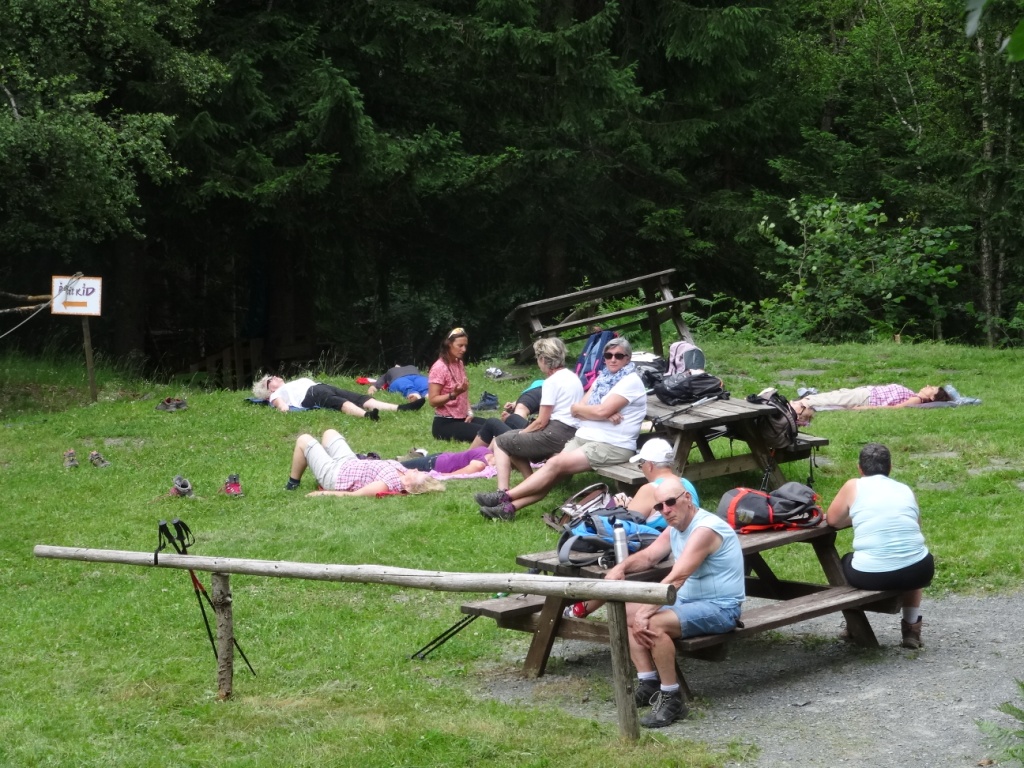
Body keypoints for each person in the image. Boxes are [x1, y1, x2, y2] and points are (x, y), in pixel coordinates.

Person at [604, 478, 744, 728]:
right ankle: (648, 683)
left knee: (652, 623)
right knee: (622, 610)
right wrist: (621, 568)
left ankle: (672, 698)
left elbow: (676, 578)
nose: (665, 510)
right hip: (688, 603)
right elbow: (649, 556)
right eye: (659, 507)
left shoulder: (705, 530)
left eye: (670, 503)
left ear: (687, 499)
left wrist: (645, 613)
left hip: (721, 608)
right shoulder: (675, 528)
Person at [474, 337, 646, 521]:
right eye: (608, 355)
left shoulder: (630, 381)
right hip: (583, 436)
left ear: (628, 359)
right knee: (551, 471)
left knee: (555, 464)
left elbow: (597, 409)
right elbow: (576, 409)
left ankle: (504, 496)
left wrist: (600, 411)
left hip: (611, 444)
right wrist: (599, 412)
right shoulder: (603, 379)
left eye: (619, 356)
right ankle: (508, 509)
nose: (613, 359)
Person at [562, 438, 700, 619]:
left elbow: (625, 522)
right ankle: (584, 606)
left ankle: (582, 607)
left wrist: (620, 505)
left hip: (663, 550)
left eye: (641, 465)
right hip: (682, 544)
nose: (642, 469)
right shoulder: (684, 483)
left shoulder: (650, 489)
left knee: (619, 565)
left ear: (649, 465)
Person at [825, 442, 934, 649]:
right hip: (920, 570)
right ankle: (911, 629)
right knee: (912, 554)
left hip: (872, 574)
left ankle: (854, 626)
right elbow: (916, 525)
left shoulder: (853, 486)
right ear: (890, 468)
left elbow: (833, 520)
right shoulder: (904, 489)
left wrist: (856, 517)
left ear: (860, 468)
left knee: (845, 562)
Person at [477, 338, 583, 490]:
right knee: (511, 440)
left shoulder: (551, 382)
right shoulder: (572, 377)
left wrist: (522, 433)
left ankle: (502, 490)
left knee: (502, 441)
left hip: (556, 433)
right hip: (572, 432)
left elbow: (541, 422)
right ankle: (532, 481)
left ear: (542, 359)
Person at [284, 429, 445, 496]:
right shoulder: (402, 471)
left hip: (334, 475)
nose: (416, 469)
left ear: (408, 487)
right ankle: (318, 461)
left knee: (303, 440)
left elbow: (354, 496)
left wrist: (323, 493)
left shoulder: (387, 484)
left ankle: (292, 485)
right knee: (329, 433)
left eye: (417, 474)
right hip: (349, 462)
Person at [253, 375, 425, 419]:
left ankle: (400, 408)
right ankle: (366, 415)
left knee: (357, 397)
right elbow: (282, 406)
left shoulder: (288, 384)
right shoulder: (275, 394)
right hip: (311, 394)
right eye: (270, 380)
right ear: (268, 391)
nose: (274, 377)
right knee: (338, 402)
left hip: (320, 387)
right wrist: (284, 409)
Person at [427, 327, 487, 442]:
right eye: (460, 346)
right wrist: (453, 394)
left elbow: (464, 391)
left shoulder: (458, 363)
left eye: (465, 346)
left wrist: (469, 411)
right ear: (449, 344)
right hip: (445, 423)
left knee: (493, 425)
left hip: (462, 418)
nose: (464, 349)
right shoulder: (439, 367)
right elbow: (432, 400)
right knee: (488, 434)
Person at [791, 384, 951, 425]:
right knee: (836, 397)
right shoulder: (914, 395)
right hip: (866, 393)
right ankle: (802, 405)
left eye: (932, 388)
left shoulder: (917, 400)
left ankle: (799, 406)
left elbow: (894, 409)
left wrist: (865, 408)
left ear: (932, 396)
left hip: (867, 398)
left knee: (835, 398)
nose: (928, 386)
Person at [399, 445, 495, 476]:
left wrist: (437, 475)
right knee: (398, 465)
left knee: (397, 467)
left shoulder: (479, 464)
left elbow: (452, 475)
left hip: (433, 465)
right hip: (440, 457)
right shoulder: (490, 452)